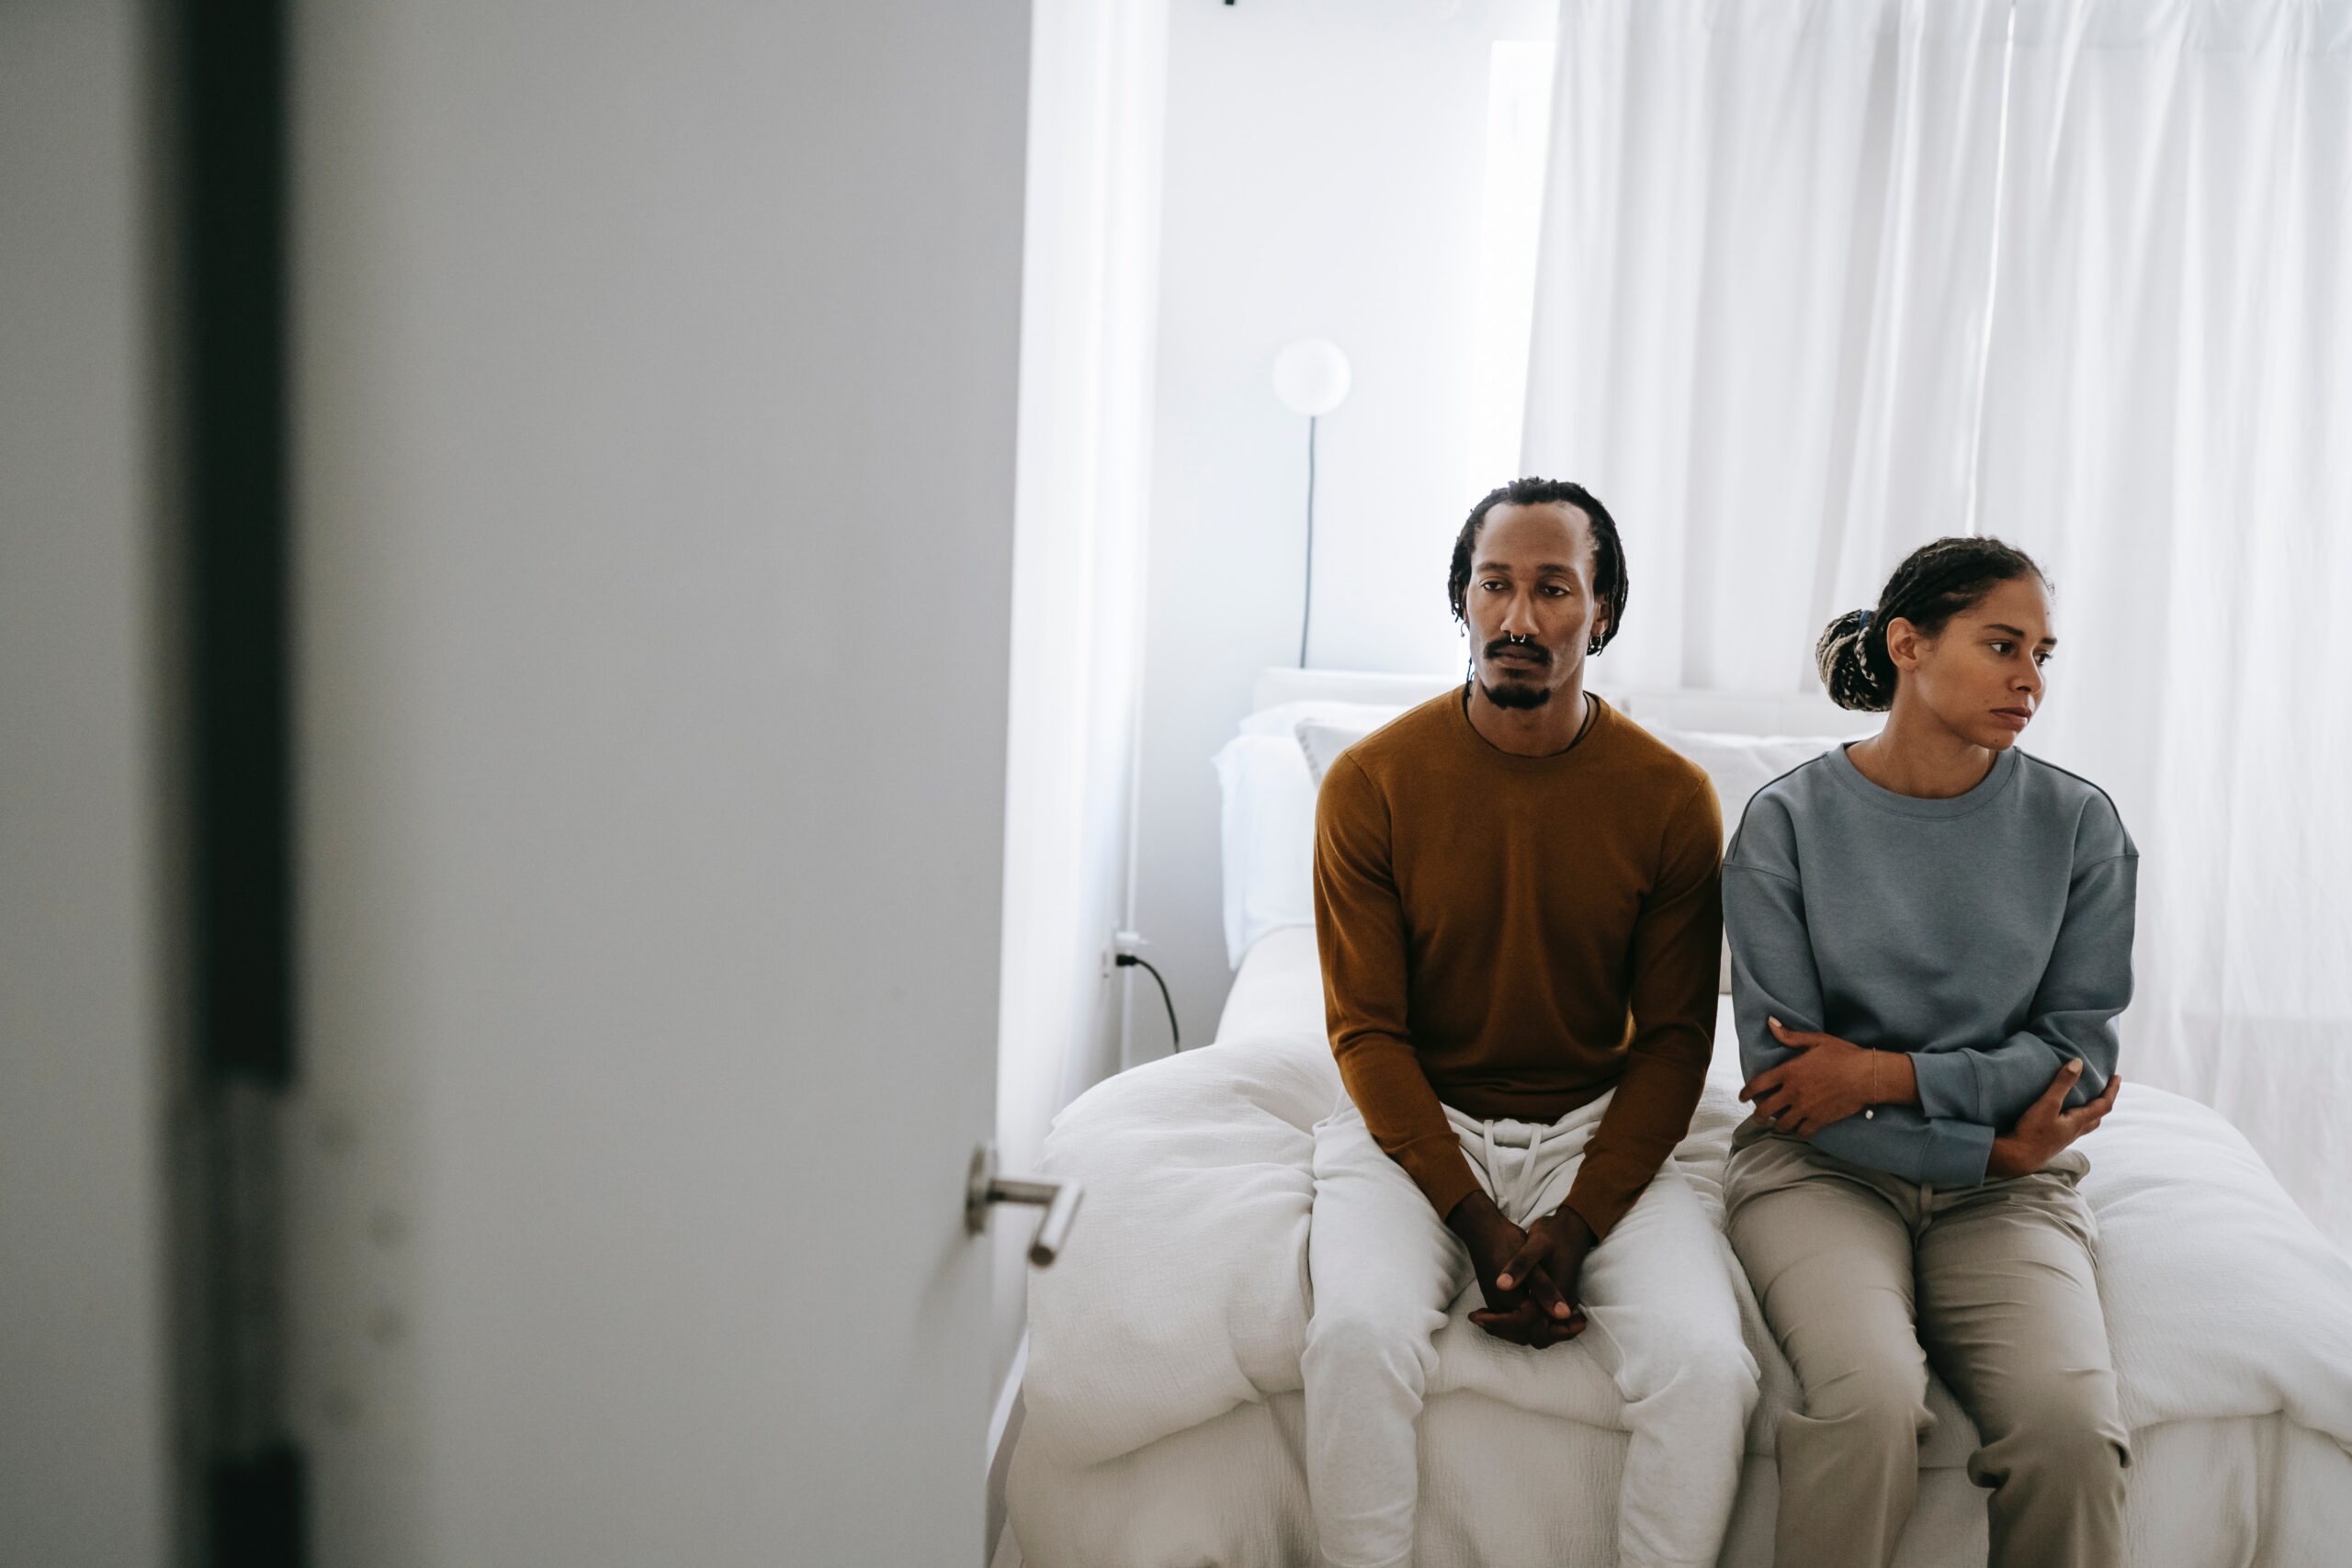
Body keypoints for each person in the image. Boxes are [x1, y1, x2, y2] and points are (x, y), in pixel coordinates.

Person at [1307, 477, 1758, 1568]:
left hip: (1596, 1125)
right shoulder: (1370, 783)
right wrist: (1478, 1225)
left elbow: (1671, 1042)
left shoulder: (1669, 798)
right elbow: (1366, 1033)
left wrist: (1578, 1225)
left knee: (1708, 1367)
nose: (1517, 618)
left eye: (1552, 589)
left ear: (1600, 613)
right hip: (1416, 1124)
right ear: (1460, 603)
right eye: (1493, 586)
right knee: (1355, 1341)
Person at [1723, 536, 2133, 1568]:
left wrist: (1877, 1073)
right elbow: (1784, 1088)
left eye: (2043, 653)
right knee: (1868, 1407)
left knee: (2071, 1434)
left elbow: (2070, 1062)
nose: (2029, 680)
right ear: (1906, 643)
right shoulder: (1785, 823)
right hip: (1820, 1176)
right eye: (2002, 645)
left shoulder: (2079, 827)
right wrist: (1980, 1138)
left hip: (2011, 1191)